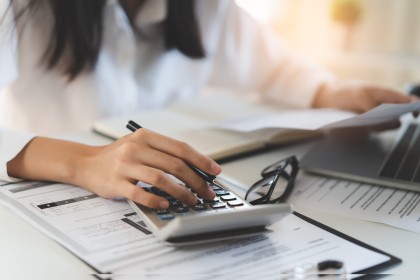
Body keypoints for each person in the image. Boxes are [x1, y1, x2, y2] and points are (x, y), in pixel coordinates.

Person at [0, 0, 414, 209]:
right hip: (50, 203)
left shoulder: (205, 7)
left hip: (169, 202)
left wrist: (330, 92)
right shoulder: (19, 9)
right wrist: (83, 162)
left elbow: (274, 68)